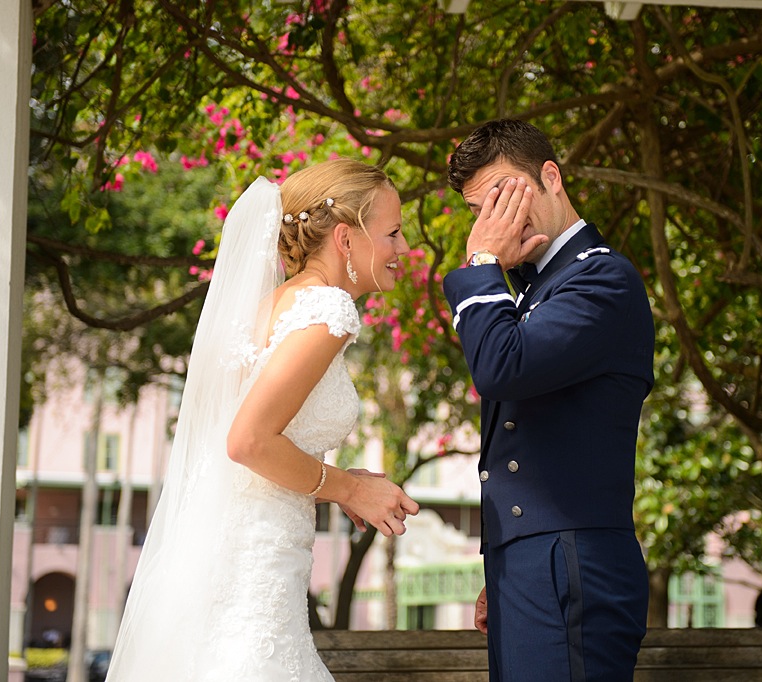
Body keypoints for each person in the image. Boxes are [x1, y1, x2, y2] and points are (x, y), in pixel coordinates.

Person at [106, 158, 419, 681]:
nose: (403, 248)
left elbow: (250, 458)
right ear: (346, 239)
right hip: (252, 575)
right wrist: (347, 488)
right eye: (392, 232)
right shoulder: (328, 313)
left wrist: (336, 486)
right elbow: (248, 442)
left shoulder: (270, 307)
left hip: (232, 556)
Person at [442, 119, 655, 682]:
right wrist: (510, 558)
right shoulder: (538, 286)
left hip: (573, 563)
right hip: (533, 564)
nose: (496, 221)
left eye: (506, 195)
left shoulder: (602, 279)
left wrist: (482, 264)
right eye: (481, 210)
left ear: (550, 176)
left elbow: (501, 367)